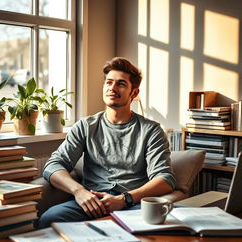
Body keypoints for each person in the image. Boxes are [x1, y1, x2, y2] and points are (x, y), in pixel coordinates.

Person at [38, 57, 176, 228]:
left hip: (132, 205)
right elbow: (53, 165)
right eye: (109, 82)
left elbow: (165, 179)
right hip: (90, 203)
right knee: (48, 219)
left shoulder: (151, 130)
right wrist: (79, 191)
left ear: (134, 93)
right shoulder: (85, 126)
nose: (112, 88)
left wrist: (125, 199)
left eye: (121, 84)